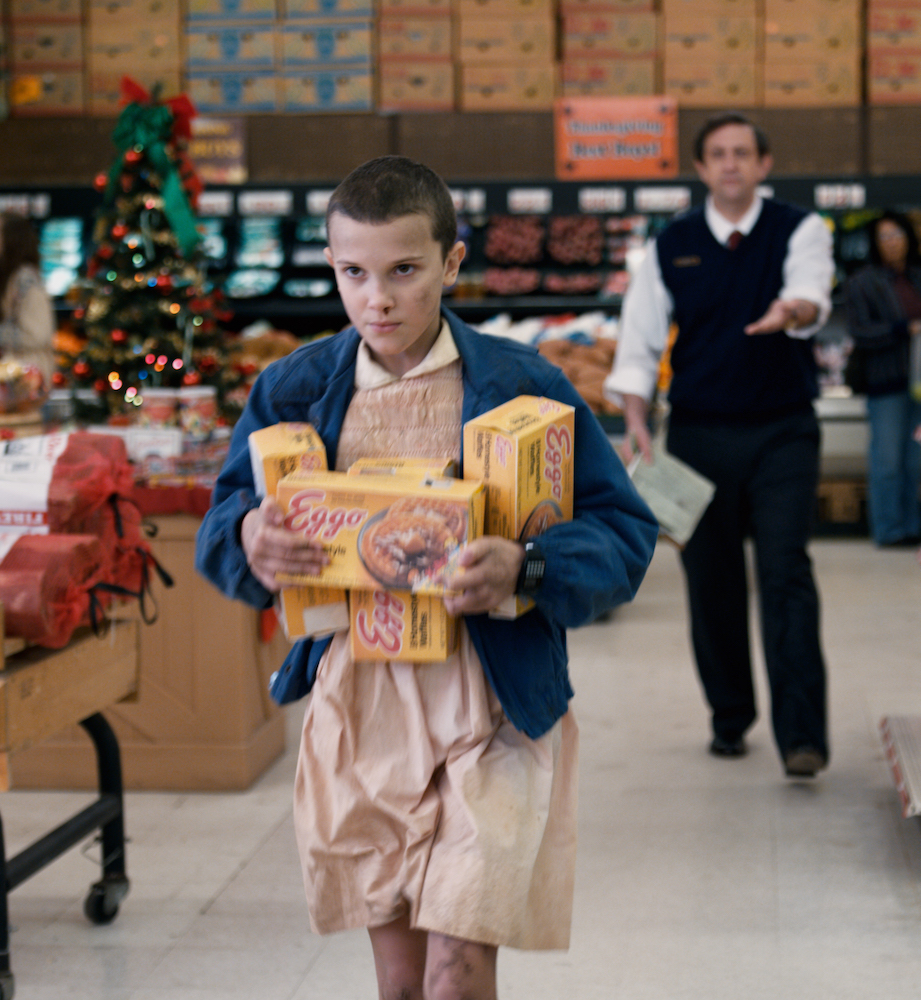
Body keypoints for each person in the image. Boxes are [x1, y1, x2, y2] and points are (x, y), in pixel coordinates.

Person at [195, 155, 658, 1000]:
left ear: (451, 263)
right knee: (403, 981)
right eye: (353, 273)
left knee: (457, 973)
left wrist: (529, 564)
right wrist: (252, 539)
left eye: (405, 271)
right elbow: (221, 527)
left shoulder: (524, 387)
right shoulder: (292, 391)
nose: (379, 299)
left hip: (492, 704)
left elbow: (625, 532)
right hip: (359, 706)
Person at [602, 112, 836, 778]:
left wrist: (793, 311)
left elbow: (811, 290)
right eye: (717, 154)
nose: (731, 164)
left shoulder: (801, 228)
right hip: (698, 435)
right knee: (712, 581)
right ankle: (730, 717)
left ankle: (802, 737)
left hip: (784, 429)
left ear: (764, 164)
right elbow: (640, 338)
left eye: (743, 153)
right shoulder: (670, 244)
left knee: (786, 574)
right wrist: (638, 418)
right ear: (701, 169)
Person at [844, 212, 921, 548]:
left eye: (897, 234)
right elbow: (861, 332)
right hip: (884, 383)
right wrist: (905, 329)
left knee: (914, 462)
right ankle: (888, 529)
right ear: (874, 242)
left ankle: (913, 526)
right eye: (884, 236)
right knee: (887, 461)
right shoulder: (862, 282)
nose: (892, 242)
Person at [0, 212, 58, 376]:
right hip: (14, 379)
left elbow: (37, 336)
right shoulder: (5, 276)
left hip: (25, 382)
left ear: (10, 238)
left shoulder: (25, 280)